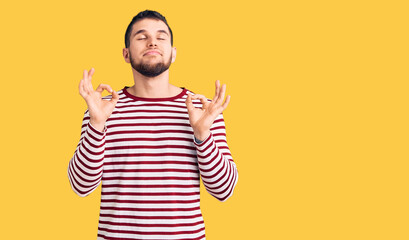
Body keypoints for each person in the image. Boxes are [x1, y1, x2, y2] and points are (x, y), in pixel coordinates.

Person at [67, 10, 238, 240]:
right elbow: (80, 186)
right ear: (126, 54)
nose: (152, 42)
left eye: (161, 36)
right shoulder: (101, 109)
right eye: (141, 36)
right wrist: (97, 124)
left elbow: (224, 191)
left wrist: (202, 135)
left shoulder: (203, 110)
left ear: (173, 53)